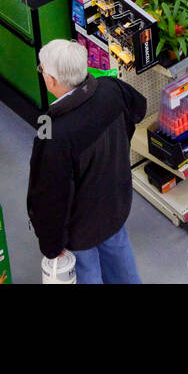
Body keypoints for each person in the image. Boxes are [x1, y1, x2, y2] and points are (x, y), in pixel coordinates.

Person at [26, 39, 148, 284]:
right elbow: (139, 108)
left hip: (80, 228)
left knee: (87, 272)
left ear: (51, 80)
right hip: (115, 204)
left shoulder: (53, 132)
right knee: (119, 256)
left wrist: (51, 245)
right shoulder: (110, 89)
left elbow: (49, 197)